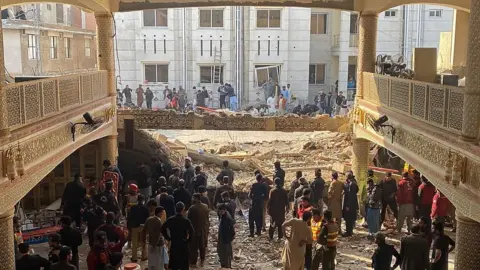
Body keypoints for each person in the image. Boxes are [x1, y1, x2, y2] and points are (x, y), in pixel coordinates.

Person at [161, 202, 195, 270]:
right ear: (183, 209)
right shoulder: (186, 221)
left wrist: (168, 238)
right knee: (184, 265)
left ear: (176, 209)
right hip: (183, 244)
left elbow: (162, 228)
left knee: (174, 265)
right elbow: (192, 232)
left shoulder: (171, 219)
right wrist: (188, 240)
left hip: (174, 244)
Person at [187, 193, 210, 267]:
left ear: (196, 198)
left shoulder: (192, 208)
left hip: (194, 230)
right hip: (203, 229)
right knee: (202, 246)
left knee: (193, 246)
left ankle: (193, 262)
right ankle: (202, 260)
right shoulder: (205, 206)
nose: (192, 199)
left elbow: (188, 220)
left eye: (193, 198)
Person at [127, 194, 149, 262]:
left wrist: (129, 227)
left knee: (134, 243)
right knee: (143, 242)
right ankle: (144, 256)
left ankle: (134, 258)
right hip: (142, 227)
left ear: (137, 200)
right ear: (143, 200)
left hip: (134, 227)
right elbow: (147, 219)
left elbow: (129, 218)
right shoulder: (145, 208)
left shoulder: (133, 208)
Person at [217, 203, 235, 268]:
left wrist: (229, 239)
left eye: (221, 211)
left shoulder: (227, 219)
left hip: (225, 240)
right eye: (219, 211)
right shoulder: (224, 216)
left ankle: (226, 266)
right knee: (223, 253)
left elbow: (232, 231)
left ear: (225, 210)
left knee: (226, 254)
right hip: (223, 238)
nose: (220, 213)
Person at [342, 172, 359, 237]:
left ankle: (348, 232)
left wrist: (348, 206)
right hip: (351, 204)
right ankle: (349, 231)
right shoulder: (352, 183)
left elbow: (351, 196)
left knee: (348, 218)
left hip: (349, 205)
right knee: (349, 218)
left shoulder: (352, 184)